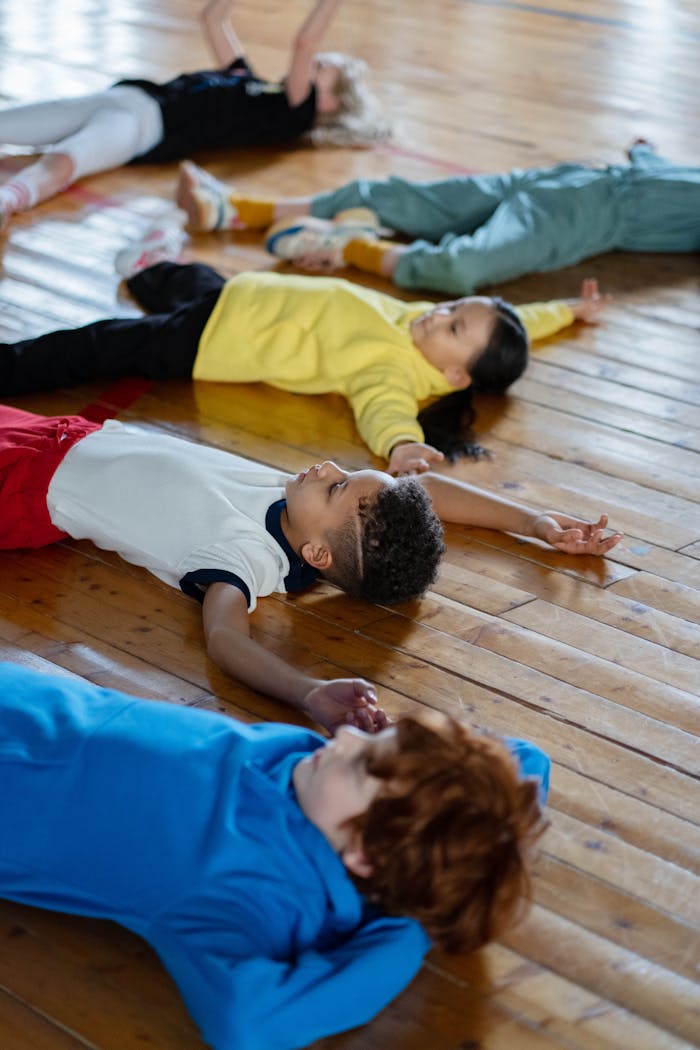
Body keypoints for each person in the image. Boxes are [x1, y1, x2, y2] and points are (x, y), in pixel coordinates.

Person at [0, 661, 549, 1049]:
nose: (349, 739)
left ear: (365, 856)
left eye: (362, 764)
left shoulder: (252, 894)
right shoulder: (329, 791)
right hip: (29, 700)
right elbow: (530, 760)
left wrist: (416, 925)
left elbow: (247, 1022)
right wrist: (436, 891)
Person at [0, 403, 621, 732]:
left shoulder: (243, 557)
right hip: (65, 435)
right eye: (344, 474)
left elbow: (222, 638)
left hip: (24, 489)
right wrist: (535, 520)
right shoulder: (311, 510)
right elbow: (424, 491)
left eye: (338, 486)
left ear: (318, 556)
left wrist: (307, 691)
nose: (327, 467)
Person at [1, 227, 610, 471]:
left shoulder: (390, 371)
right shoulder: (424, 329)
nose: (441, 313)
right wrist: (567, 311)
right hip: (240, 296)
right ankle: (152, 268)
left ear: (453, 376)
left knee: (99, 345)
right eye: (454, 307)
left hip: (209, 342)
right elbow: (514, 318)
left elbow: (384, 413)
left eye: (453, 326)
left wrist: (404, 447)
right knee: (189, 281)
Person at [0, 0, 388, 232]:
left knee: (65, 159)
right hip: (124, 96)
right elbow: (213, 19)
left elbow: (304, 41)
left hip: (140, 128)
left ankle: (7, 200)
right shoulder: (245, 79)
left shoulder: (291, 114)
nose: (309, 64)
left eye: (319, 69)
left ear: (327, 105)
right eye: (316, 63)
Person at [176, 141, 700, 295]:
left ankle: (349, 245)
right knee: (393, 195)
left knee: (460, 268)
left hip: (592, 209)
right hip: (575, 174)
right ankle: (237, 209)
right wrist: (646, 153)